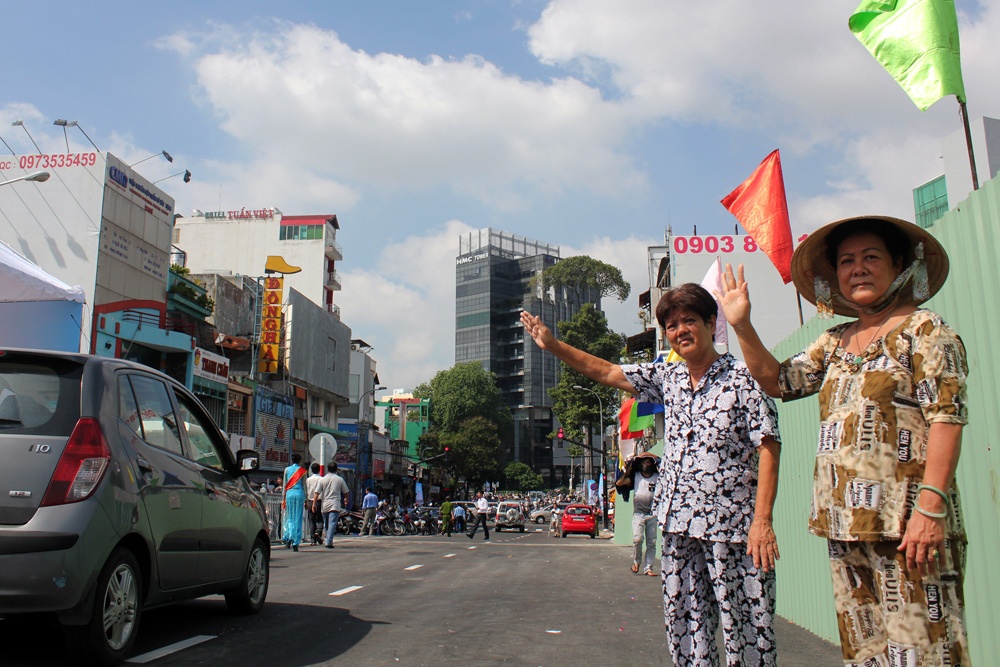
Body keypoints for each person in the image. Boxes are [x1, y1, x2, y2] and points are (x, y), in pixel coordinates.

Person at [717, 215, 971, 666]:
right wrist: (742, 326)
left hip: (909, 529)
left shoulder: (925, 331)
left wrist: (930, 508)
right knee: (866, 656)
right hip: (844, 527)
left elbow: (946, 417)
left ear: (898, 266)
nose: (858, 268)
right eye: (847, 261)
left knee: (926, 655)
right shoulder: (834, 343)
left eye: (871, 257)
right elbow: (779, 381)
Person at [521, 282, 781, 667]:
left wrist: (762, 521)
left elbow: (769, 445)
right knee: (686, 631)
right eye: (672, 325)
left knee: (747, 631)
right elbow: (607, 371)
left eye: (689, 320)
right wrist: (553, 345)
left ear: (712, 323)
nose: (680, 331)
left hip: (734, 529)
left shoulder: (744, 379)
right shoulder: (668, 378)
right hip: (677, 526)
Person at [616, 451, 661, 576]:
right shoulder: (635, 476)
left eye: (648, 462)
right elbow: (620, 482)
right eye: (644, 462)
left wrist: (653, 456)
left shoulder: (658, 477)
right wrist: (630, 464)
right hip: (638, 514)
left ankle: (649, 568)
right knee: (637, 539)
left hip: (653, 513)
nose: (646, 464)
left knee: (651, 542)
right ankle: (636, 561)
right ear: (640, 465)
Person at [314, 462, 350, 549]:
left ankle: (327, 539)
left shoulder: (322, 479)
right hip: (335, 504)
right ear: (336, 469)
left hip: (325, 504)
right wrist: (346, 499)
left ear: (328, 469)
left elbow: (316, 492)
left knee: (326, 524)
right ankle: (328, 541)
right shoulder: (339, 479)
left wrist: (314, 503)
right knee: (332, 523)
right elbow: (346, 492)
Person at [281, 454, 308, 552]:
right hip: (299, 494)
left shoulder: (287, 470)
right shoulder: (303, 471)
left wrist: (283, 499)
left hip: (289, 494)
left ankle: (287, 537)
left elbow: (284, 485)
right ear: (300, 460)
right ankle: (296, 542)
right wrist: (307, 500)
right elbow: (305, 486)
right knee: (298, 518)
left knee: (289, 517)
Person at [305, 463, 324, 546]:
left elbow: (306, 490)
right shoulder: (321, 479)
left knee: (311, 520)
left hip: (310, 500)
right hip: (319, 501)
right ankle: (318, 532)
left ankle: (313, 539)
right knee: (320, 518)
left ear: (311, 470)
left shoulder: (308, 480)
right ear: (319, 470)